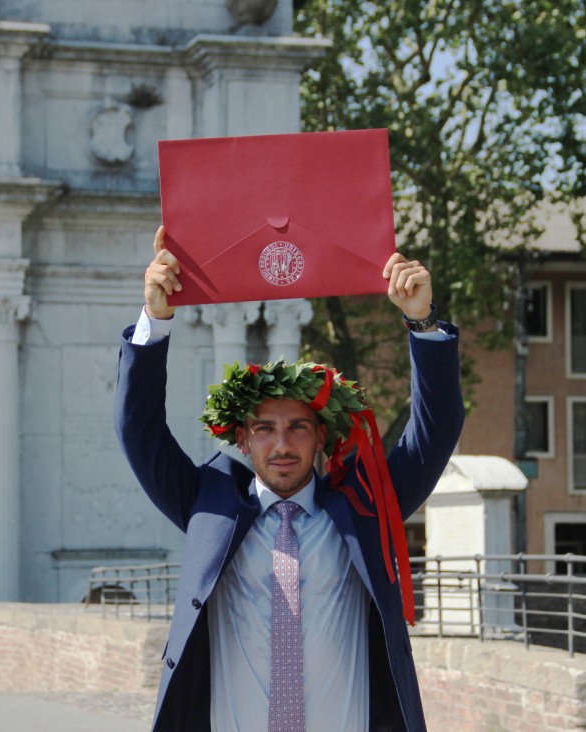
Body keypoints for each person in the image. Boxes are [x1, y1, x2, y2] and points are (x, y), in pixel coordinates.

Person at [114, 226, 465, 731]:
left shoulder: (365, 510)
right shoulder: (208, 508)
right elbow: (137, 429)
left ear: (321, 438)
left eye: (299, 427)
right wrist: (156, 318)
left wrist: (421, 320)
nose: (282, 444)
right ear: (242, 439)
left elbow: (433, 434)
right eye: (265, 429)